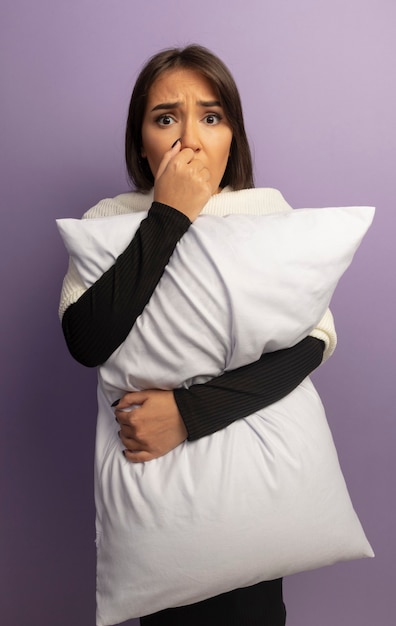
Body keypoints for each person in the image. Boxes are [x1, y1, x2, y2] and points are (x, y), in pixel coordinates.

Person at [59, 45, 336, 626]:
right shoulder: (108, 219)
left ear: (232, 134)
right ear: (141, 140)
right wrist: (170, 214)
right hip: (158, 514)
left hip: (254, 502)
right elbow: (88, 340)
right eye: (166, 119)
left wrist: (189, 412)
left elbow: (312, 344)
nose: (190, 139)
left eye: (211, 118)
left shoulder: (266, 215)